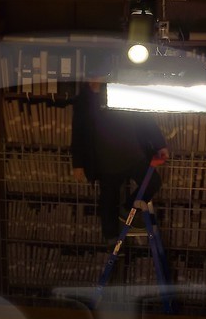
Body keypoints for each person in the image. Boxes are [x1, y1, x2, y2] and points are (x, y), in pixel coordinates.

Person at [70, 64, 170, 243]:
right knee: (108, 201)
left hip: (132, 154)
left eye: (99, 75)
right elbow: (78, 134)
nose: (95, 80)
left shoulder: (118, 91)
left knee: (153, 182)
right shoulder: (83, 101)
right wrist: (78, 163)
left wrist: (159, 144)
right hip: (104, 160)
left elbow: (143, 118)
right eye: (91, 76)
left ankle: (128, 209)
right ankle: (111, 240)